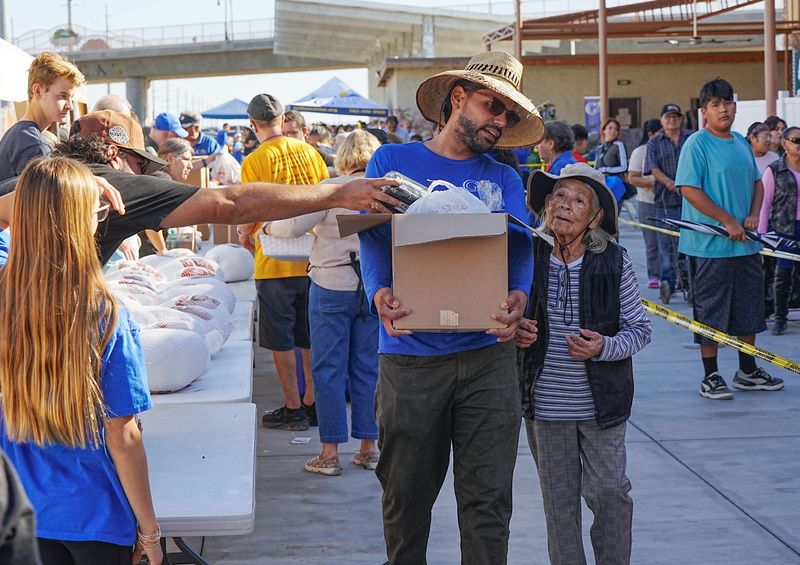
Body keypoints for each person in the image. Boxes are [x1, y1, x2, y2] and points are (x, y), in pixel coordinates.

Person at [360, 51, 541, 564]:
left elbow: (521, 247)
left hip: (488, 359)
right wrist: (378, 293)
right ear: (457, 99)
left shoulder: (503, 178)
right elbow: (373, 240)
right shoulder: (392, 163)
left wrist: (519, 296)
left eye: (508, 115)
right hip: (410, 357)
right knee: (405, 498)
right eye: (492, 107)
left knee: (488, 503)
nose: (499, 122)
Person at [0, 157, 162, 565]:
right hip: (96, 517)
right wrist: (151, 530)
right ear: (79, 222)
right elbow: (123, 438)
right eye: (97, 211)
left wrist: (38, 196)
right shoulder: (104, 315)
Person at [0, 110, 402, 265]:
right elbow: (229, 203)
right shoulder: (115, 182)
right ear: (113, 152)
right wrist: (335, 193)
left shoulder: (29, 180)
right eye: (139, 162)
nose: (141, 172)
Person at [517, 162, 652, 565]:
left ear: (594, 218)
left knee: (610, 493)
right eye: (558, 195)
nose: (565, 205)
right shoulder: (527, 256)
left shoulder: (614, 261)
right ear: (545, 205)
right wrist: (516, 333)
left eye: (579, 200)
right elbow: (500, 316)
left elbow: (639, 330)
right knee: (559, 508)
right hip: (545, 406)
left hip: (601, 406)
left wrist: (603, 347)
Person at [268, 129, 382, 476]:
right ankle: (369, 447)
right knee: (367, 369)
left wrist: (269, 227)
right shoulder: (386, 190)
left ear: (342, 157)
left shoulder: (335, 189)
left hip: (331, 285)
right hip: (374, 289)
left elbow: (290, 228)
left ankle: (330, 454)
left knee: (328, 370)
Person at [675, 78, 784, 399]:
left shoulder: (739, 142)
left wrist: (752, 215)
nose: (723, 109)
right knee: (712, 311)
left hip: (746, 244)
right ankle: (711, 376)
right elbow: (689, 190)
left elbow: (757, 183)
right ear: (704, 111)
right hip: (711, 247)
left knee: (749, 309)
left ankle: (747, 370)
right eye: (715, 105)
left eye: (728, 103)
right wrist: (726, 221)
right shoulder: (697, 144)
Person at [237, 94, 329, 432]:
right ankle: (313, 402)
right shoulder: (310, 152)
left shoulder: (255, 160)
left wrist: (245, 235)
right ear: (281, 118)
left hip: (274, 261)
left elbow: (250, 208)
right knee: (309, 337)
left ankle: (293, 407)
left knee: (280, 339)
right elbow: (325, 196)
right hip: (313, 258)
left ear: (253, 125)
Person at [0, 52, 85, 181]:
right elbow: (44, 199)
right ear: (38, 91)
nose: (70, 106)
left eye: (71, 98)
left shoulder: (16, 134)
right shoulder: (33, 144)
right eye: (62, 96)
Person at [645, 103, 693, 304]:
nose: (672, 120)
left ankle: (690, 285)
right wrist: (669, 182)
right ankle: (667, 282)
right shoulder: (654, 142)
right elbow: (652, 168)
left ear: (681, 119)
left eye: (676, 117)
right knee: (667, 246)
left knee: (688, 245)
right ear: (662, 120)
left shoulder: (691, 138)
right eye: (668, 117)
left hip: (692, 202)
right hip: (666, 200)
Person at [758, 126, 800, 336]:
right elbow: (765, 204)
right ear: (784, 143)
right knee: (783, 273)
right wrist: (763, 234)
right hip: (784, 228)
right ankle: (780, 317)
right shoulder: (774, 170)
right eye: (796, 140)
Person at [628, 118, 663, 289]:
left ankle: (672, 276)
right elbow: (632, 177)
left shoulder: (668, 149)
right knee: (652, 243)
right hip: (646, 202)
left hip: (667, 203)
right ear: (651, 134)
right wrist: (652, 182)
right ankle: (654, 275)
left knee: (669, 242)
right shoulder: (640, 152)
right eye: (660, 132)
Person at [594, 118, 628, 203]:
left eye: (616, 129)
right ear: (604, 130)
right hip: (601, 185)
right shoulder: (599, 148)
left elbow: (624, 167)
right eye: (610, 128)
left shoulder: (619, 145)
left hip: (615, 185)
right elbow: (595, 167)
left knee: (613, 214)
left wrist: (605, 170)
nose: (613, 131)